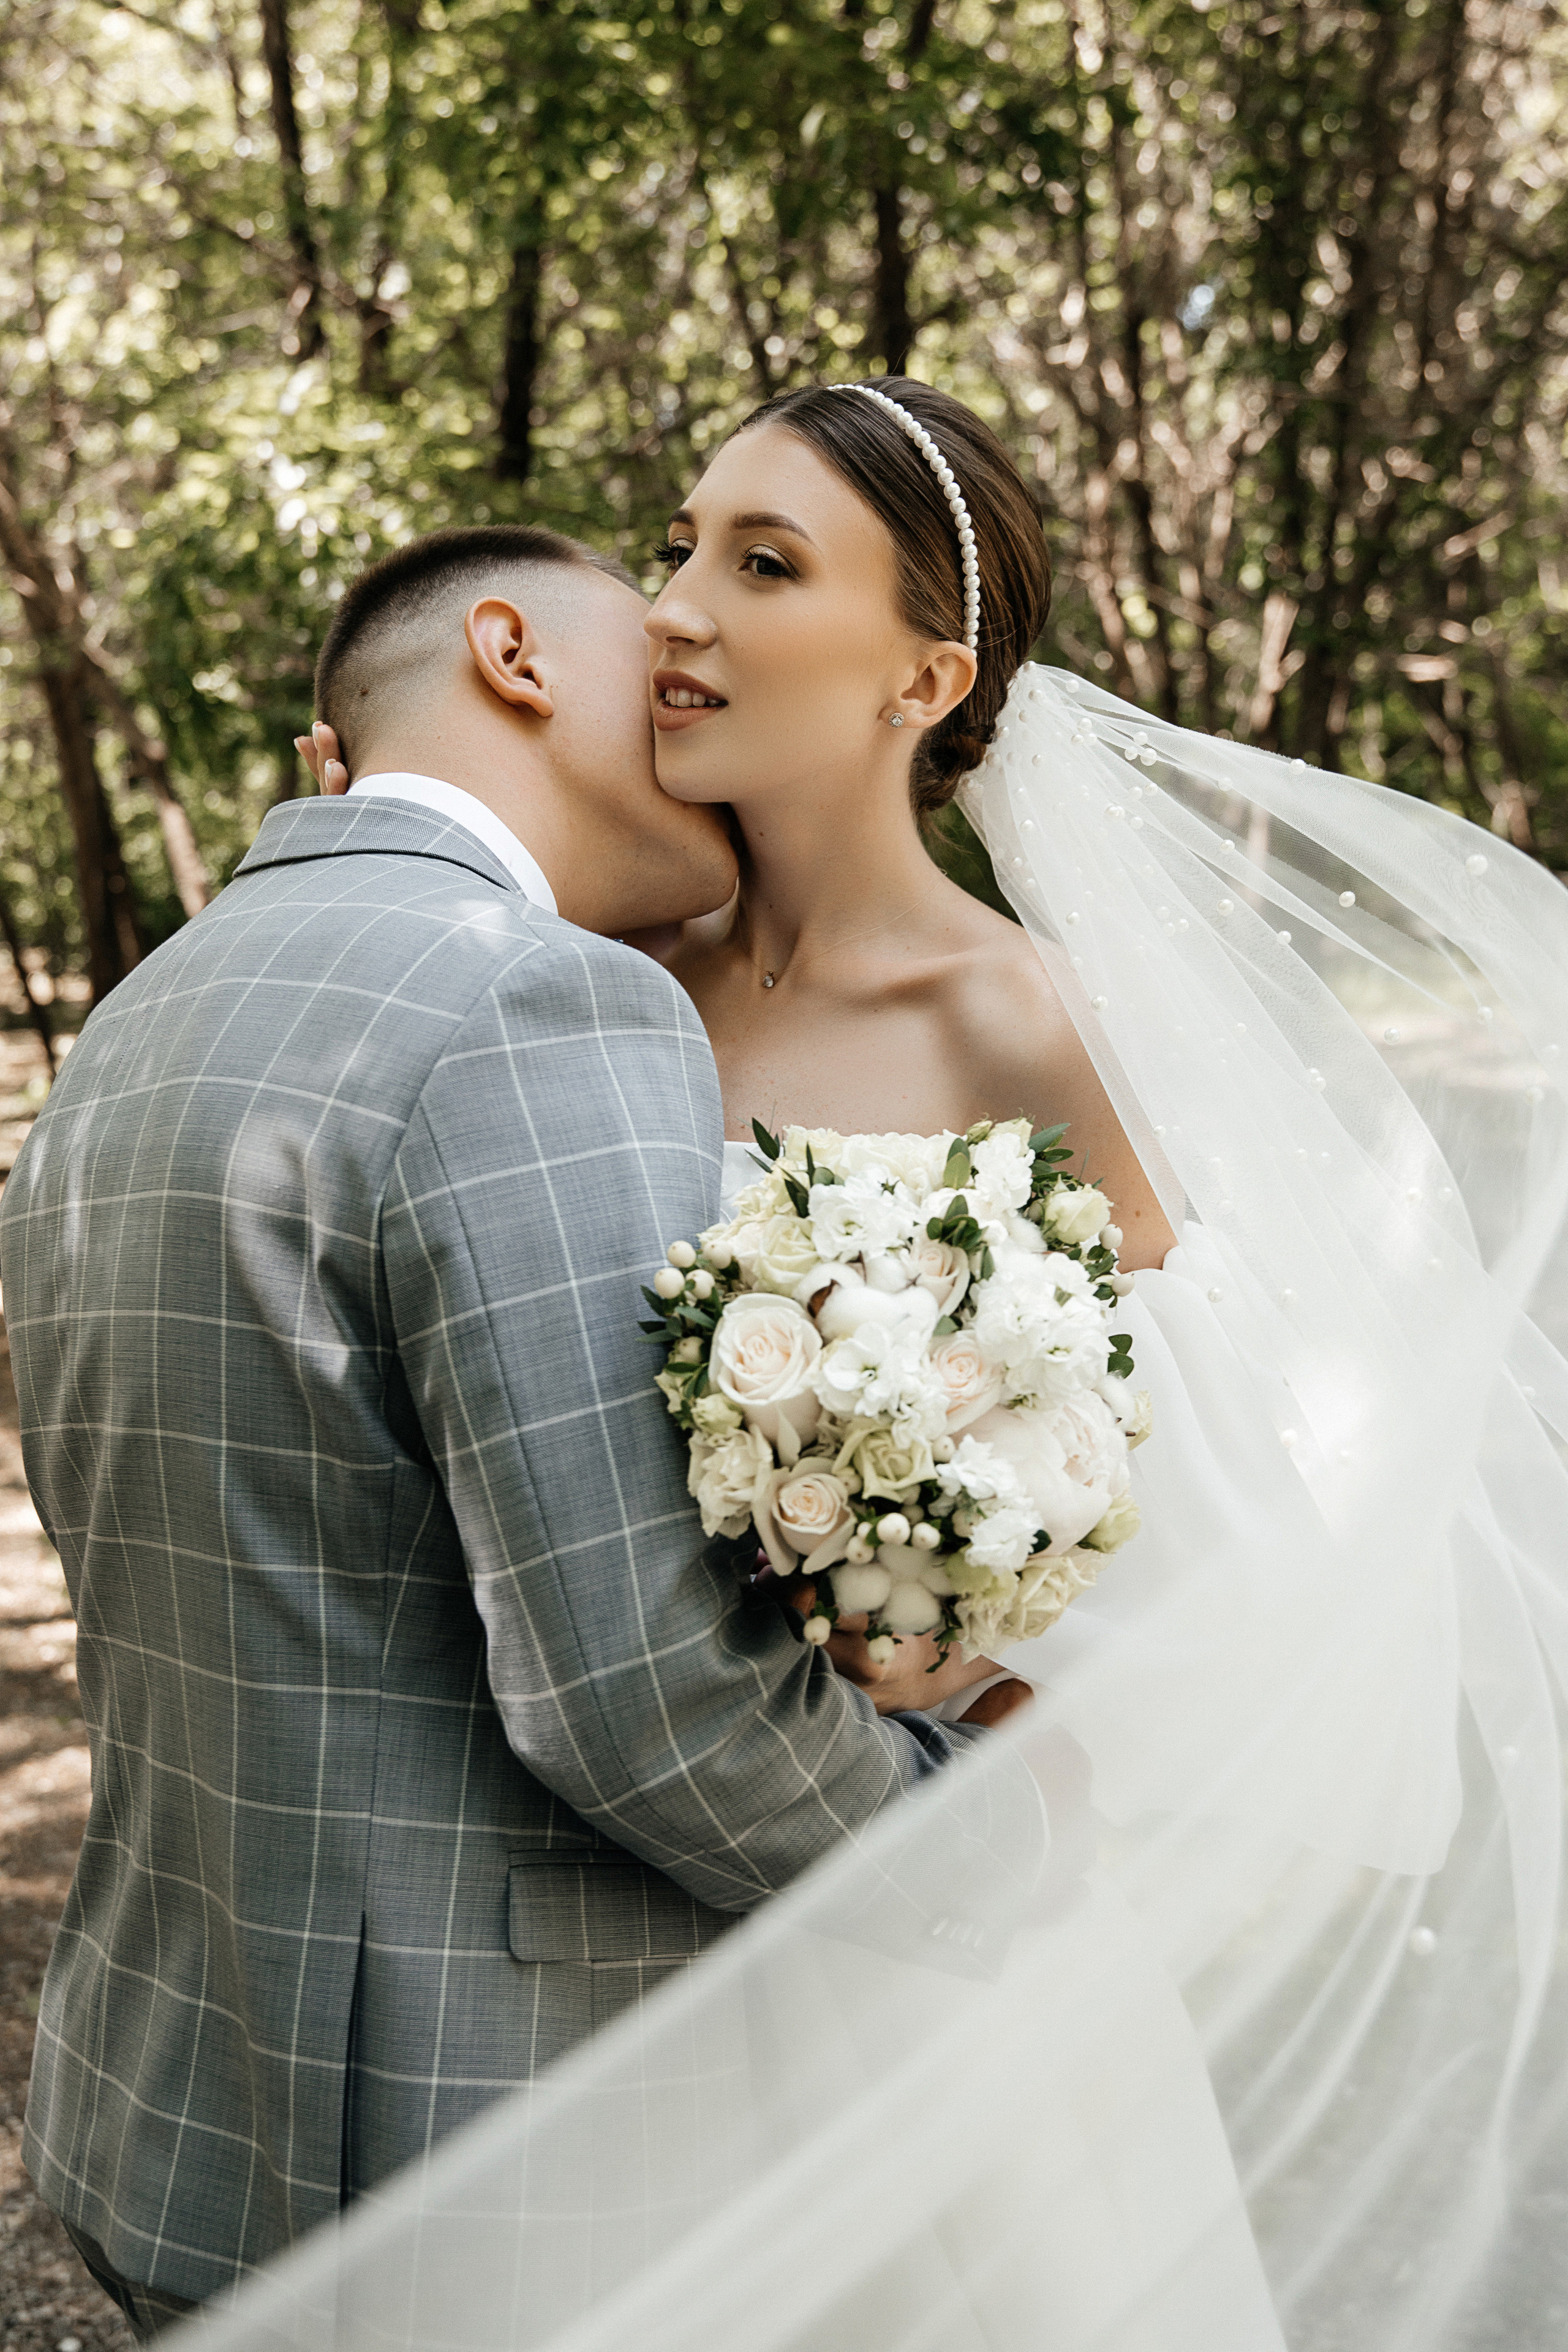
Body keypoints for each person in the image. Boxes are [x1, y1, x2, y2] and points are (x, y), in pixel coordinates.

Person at [271, 388, 1568, 2352]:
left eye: (766, 566)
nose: (678, 610)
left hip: (922, 1896)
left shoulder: (1016, 1022)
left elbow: (1176, 1485)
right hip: (608, 1903)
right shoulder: (586, 987)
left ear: (924, 674)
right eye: (686, 541)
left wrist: (941, 1629)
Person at [0, 521, 1016, 2341]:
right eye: (661, 643)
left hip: (182, 2110)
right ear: (515, 656)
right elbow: (641, 1687)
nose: (698, 683)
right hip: (479, 2165)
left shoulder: (145, 1019)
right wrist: (961, 1836)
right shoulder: (529, 997)